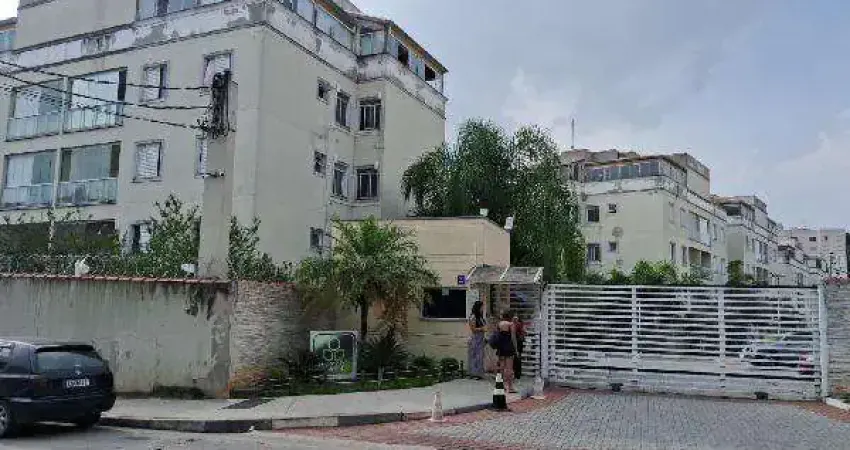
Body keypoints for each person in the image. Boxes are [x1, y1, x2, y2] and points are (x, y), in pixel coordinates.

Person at [495, 311, 518, 394]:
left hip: (501, 347)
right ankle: (510, 387)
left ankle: (501, 386)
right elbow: (513, 337)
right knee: (509, 369)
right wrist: (516, 349)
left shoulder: (499, 324)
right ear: (510, 317)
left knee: (501, 367)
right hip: (508, 347)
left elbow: (497, 336)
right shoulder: (511, 324)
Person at [467, 300, 487, 379]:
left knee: (480, 356)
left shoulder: (480, 317)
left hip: (480, 338)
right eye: (482, 307)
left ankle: (479, 373)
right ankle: (474, 373)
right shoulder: (473, 317)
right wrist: (482, 329)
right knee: (475, 356)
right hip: (475, 338)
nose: (482, 309)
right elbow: (473, 329)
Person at [512, 314, 527, 380]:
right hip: (519, 343)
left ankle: (516, 373)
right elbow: (524, 333)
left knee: (516, 358)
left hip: (517, 343)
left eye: (515, 318)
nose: (514, 320)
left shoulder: (516, 325)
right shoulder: (521, 324)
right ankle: (517, 374)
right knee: (517, 358)